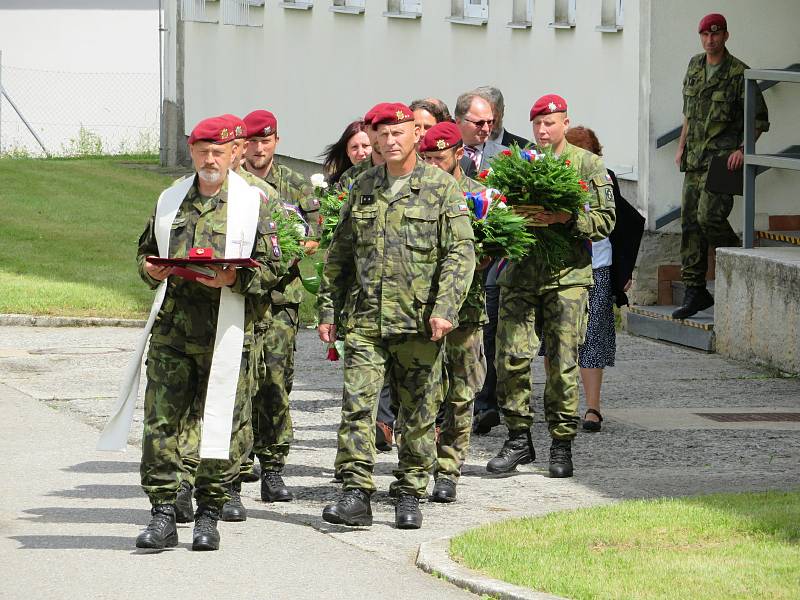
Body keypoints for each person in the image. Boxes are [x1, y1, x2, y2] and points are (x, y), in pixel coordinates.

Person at [317, 102, 475, 529]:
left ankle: (409, 491)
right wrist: (328, 308)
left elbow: (460, 253)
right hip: (367, 320)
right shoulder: (362, 186)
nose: (389, 141)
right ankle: (355, 492)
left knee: (419, 411)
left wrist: (446, 308)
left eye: (397, 133)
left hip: (418, 322)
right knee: (357, 406)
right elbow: (341, 253)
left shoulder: (441, 188)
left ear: (414, 136)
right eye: (381, 134)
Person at [133, 115, 285, 551]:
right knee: (160, 423)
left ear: (234, 152)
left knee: (222, 424)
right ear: (192, 152)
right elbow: (145, 252)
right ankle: (162, 513)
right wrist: (148, 269)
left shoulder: (254, 202)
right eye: (202, 151)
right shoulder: (171, 198)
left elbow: (274, 266)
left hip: (227, 332)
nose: (210, 159)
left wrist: (234, 281)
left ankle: (209, 514)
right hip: (173, 333)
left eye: (218, 151)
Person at [487, 95, 615, 478]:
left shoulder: (588, 164)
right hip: (521, 276)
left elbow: (607, 221)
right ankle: (518, 438)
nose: (543, 131)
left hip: (567, 278)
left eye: (551, 123)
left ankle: (561, 444)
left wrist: (566, 217)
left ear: (565, 122)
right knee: (510, 357)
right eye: (538, 124)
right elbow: (492, 206)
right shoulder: (517, 162)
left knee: (562, 363)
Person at [172, 113, 289, 524]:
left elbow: (280, 258)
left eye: (233, 146)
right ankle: (185, 485)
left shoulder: (260, 196)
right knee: (191, 411)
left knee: (236, 407)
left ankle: (230, 484)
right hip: (190, 318)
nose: (236, 152)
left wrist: (239, 278)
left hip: (243, 317)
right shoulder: (184, 194)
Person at [242, 109, 322, 504]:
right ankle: (237, 463)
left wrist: (286, 251)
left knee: (275, 380)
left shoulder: (293, 183)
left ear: (276, 141)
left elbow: (314, 235)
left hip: (279, 300)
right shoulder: (232, 182)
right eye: (252, 141)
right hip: (238, 297)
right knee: (240, 380)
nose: (259, 149)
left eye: (265, 140)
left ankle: (272, 466)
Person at [672, 13, 769, 319]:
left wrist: (744, 149)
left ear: (726, 36)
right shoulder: (694, 66)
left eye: (716, 34)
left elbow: (758, 119)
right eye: (705, 35)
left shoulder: (740, 73)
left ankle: (738, 258)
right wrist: (681, 144)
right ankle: (695, 290)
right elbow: (689, 112)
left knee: (708, 217)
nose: (710, 40)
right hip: (694, 158)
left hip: (722, 160)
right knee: (689, 223)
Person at [551, 125, 644, 432]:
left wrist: (623, 270)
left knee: (594, 336)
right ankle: (560, 404)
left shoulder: (605, 179)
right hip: (562, 268)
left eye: (590, 155)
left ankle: (592, 408)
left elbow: (626, 224)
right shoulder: (553, 178)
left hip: (599, 266)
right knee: (559, 339)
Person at [419, 121, 488, 502]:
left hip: (465, 309)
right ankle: (418, 461)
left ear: (459, 154)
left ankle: (449, 469)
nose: (431, 165)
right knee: (422, 391)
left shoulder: (478, 196)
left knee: (461, 391)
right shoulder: (417, 191)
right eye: (426, 158)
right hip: (420, 306)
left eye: (438, 158)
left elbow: (495, 247)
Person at [454, 91, 506, 178]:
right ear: (459, 122)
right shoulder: (444, 155)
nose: (486, 129)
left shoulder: (504, 156)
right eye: (479, 123)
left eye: (490, 122)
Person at [321, 119, 372, 186]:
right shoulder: (338, 183)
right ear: (347, 151)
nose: (360, 153)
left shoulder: (386, 177)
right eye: (354, 147)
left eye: (365, 146)